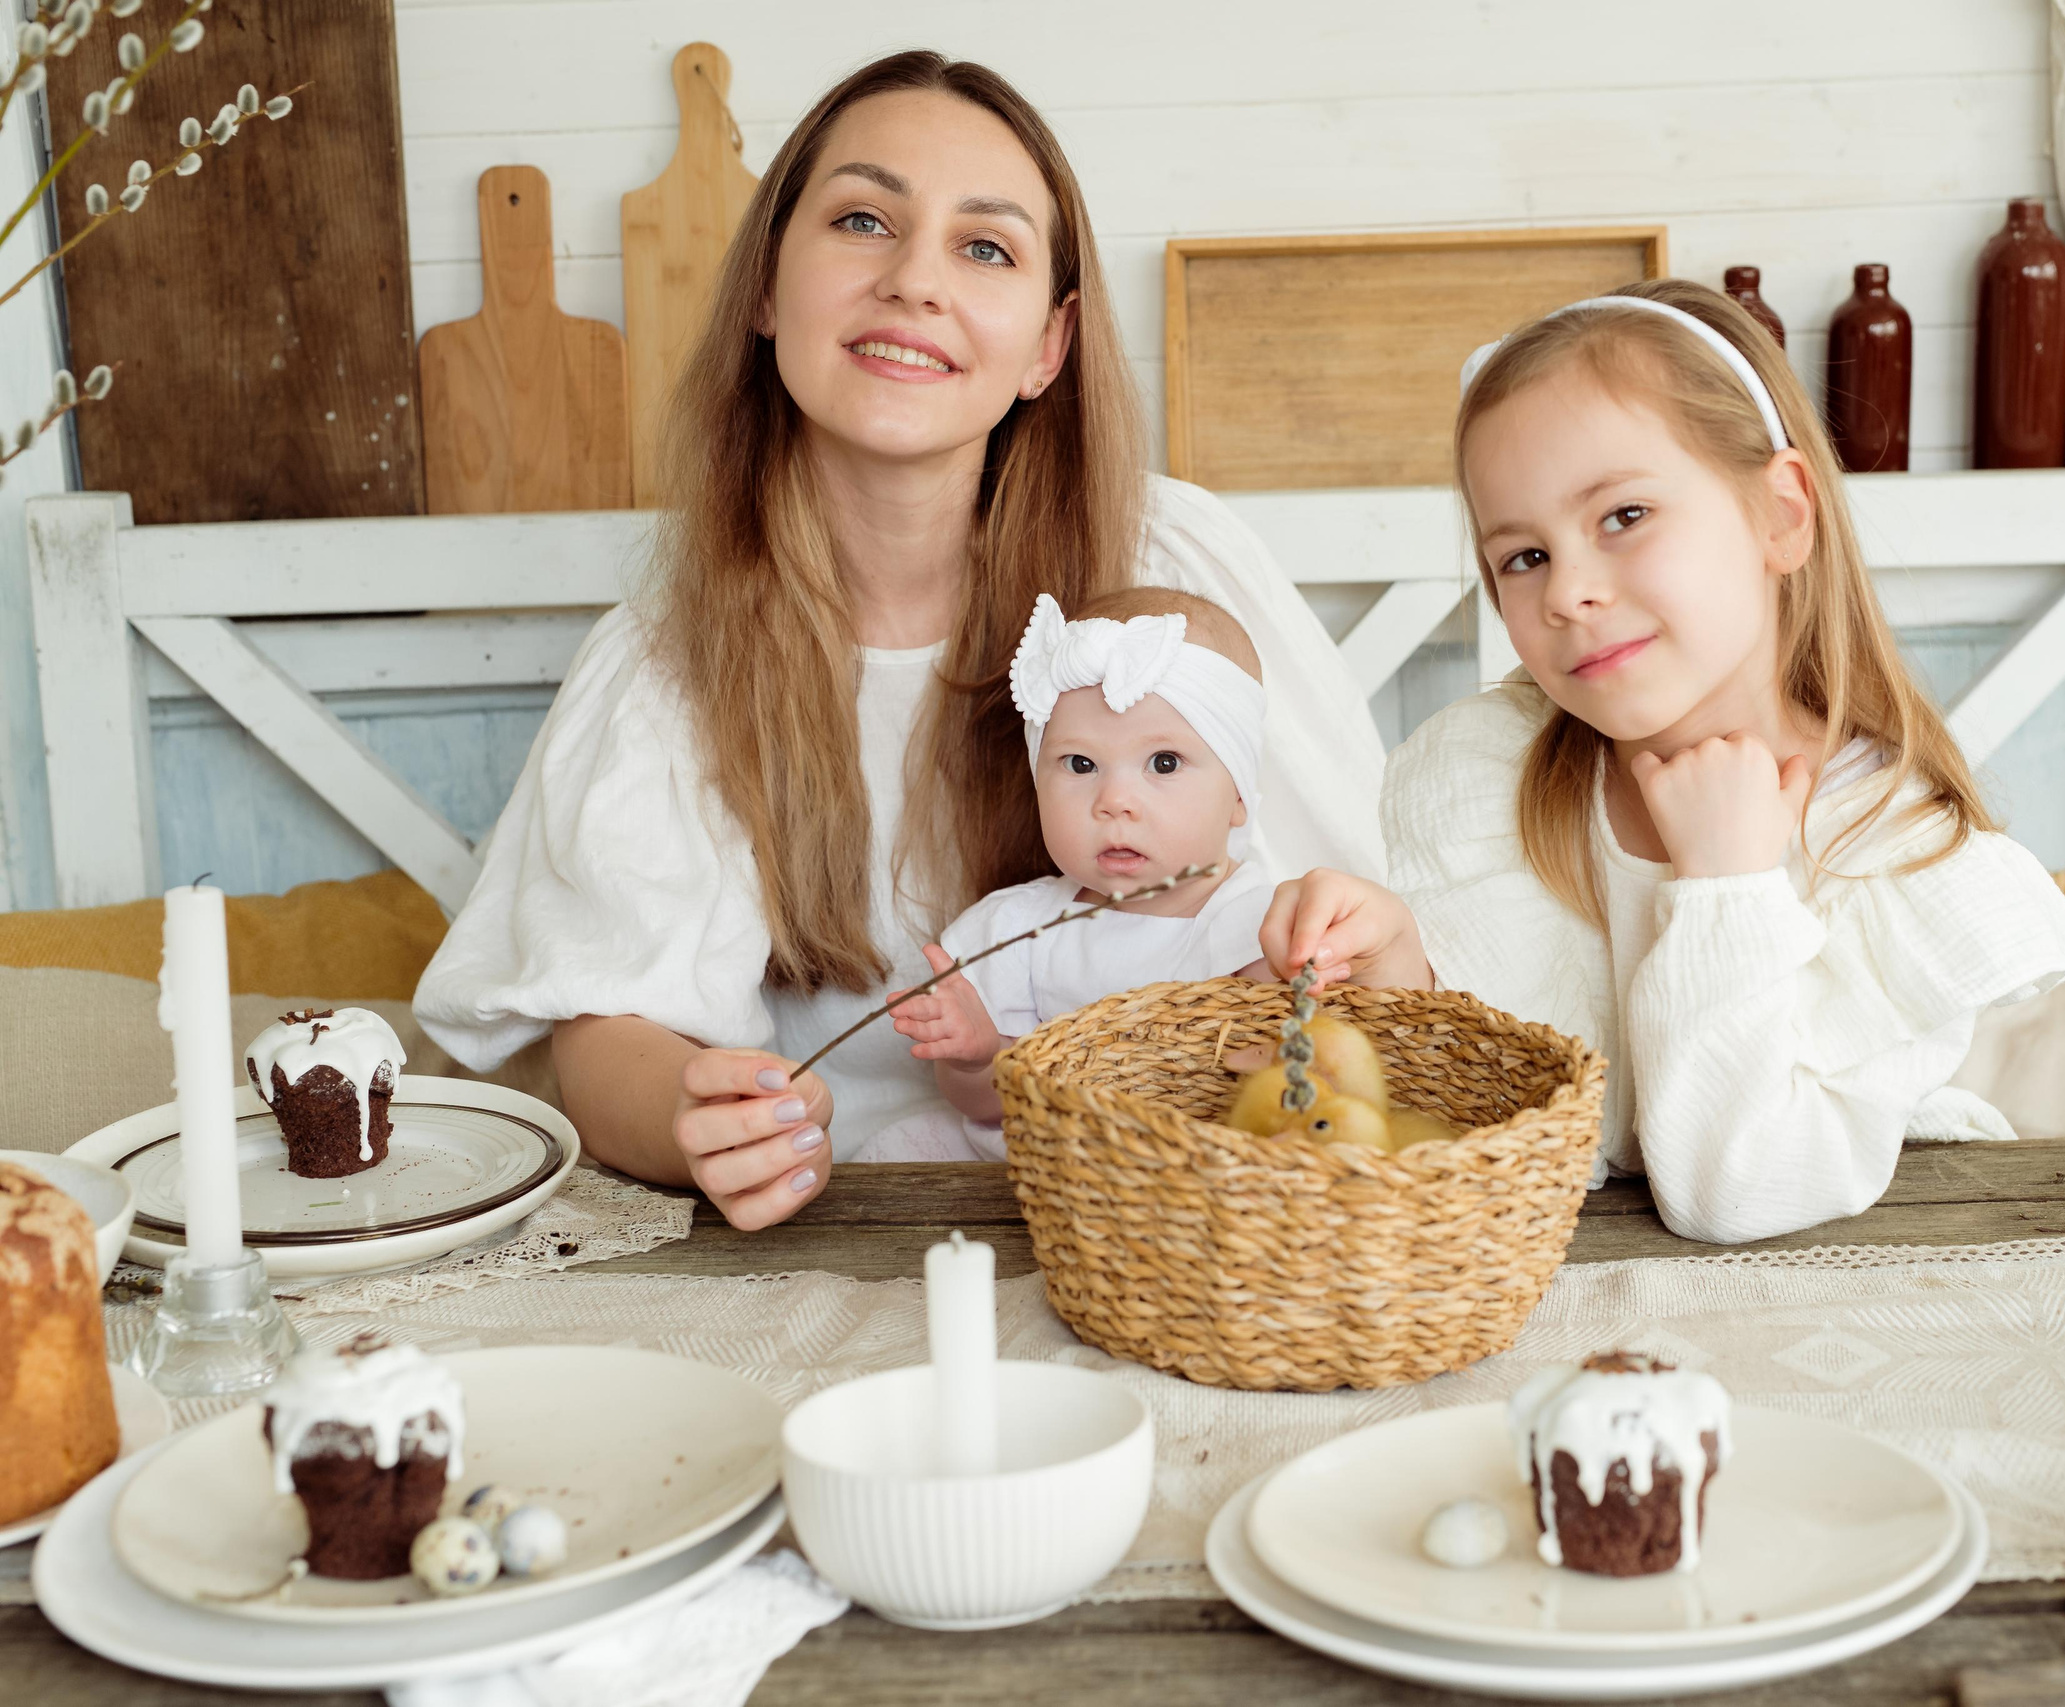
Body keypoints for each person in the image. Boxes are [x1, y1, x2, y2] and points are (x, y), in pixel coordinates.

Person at [414, 53, 1384, 1229]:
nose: (915, 281)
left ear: (1048, 345)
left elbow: (1343, 951)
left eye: (985, 248)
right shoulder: (675, 655)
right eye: (863, 220)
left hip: (1163, 1220)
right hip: (845, 1226)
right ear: (767, 289)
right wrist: (694, 1116)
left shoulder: (1178, 577)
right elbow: (605, 1030)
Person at [1263, 280, 2065, 1244]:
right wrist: (1396, 974)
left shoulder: (1889, 851)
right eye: (1523, 557)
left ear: (1781, 516)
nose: (1569, 591)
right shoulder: (1497, 776)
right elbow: (1502, 1130)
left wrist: (1728, 889)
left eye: (1623, 516)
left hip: (1848, 1285)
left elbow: (1728, 1193)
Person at [874, 588, 1277, 1159]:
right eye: (1080, 764)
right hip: (1043, 1185)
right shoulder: (1022, 929)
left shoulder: (1259, 927)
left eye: (1163, 763)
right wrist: (976, 1055)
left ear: (1237, 793)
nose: (1114, 801)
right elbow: (986, 1106)